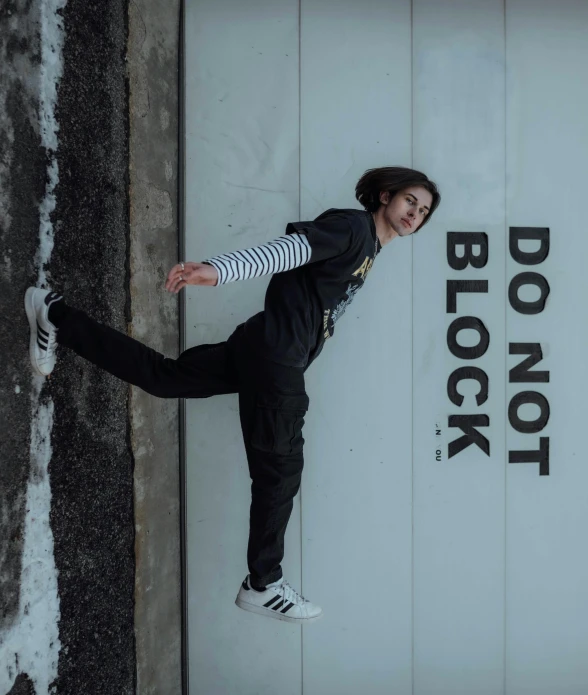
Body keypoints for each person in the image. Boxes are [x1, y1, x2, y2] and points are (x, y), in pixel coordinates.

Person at [25, 166, 440, 625]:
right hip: (276, 359)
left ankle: (53, 314)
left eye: (422, 212)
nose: (414, 214)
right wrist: (217, 271)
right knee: (280, 473)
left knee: (165, 379)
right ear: (385, 196)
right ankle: (263, 584)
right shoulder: (353, 228)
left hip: (263, 346)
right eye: (409, 202)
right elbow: (289, 251)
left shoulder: (369, 250)